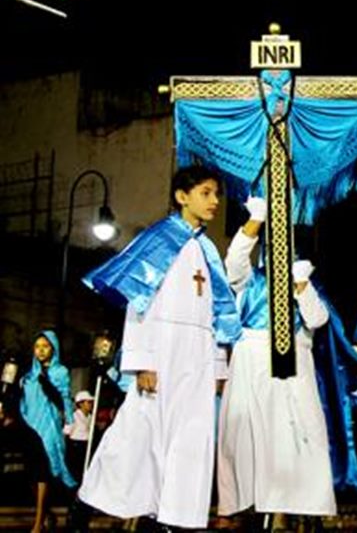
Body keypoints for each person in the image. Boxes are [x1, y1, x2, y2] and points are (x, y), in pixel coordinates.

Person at [77, 165, 241, 530]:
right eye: (206, 193)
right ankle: (89, 503)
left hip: (197, 354)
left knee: (192, 437)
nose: (215, 201)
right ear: (183, 197)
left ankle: (177, 519)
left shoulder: (207, 250)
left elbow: (216, 312)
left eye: (217, 194)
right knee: (139, 435)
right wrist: (141, 361)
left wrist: (217, 365)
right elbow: (139, 302)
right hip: (162, 350)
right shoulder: (159, 239)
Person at [216, 196, 337, 519]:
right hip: (254, 358)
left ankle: (296, 505)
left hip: (295, 363)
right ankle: (252, 507)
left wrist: (301, 285)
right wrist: (256, 219)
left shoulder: (305, 285)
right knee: (250, 435)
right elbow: (234, 263)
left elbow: (317, 319)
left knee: (296, 432)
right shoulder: (250, 281)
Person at [20, 330, 76, 490]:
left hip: (50, 426)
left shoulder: (60, 372)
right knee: (32, 470)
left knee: (44, 469)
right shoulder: (29, 375)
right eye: (37, 346)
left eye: (45, 346)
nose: (41, 350)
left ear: (53, 348)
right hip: (30, 426)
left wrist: (70, 421)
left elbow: (64, 396)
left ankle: (41, 513)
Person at [1, 386, 51, 532]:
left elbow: (41, 476)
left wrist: (37, 524)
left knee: (40, 477)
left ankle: (40, 520)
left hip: (28, 472)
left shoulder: (28, 436)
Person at [62, 390, 94, 482]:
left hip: (86, 446)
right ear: (81, 404)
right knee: (76, 472)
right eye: (88, 402)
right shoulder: (73, 417)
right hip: (76, 447)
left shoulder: (90, 416)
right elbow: (66, 432)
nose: (91, 404)